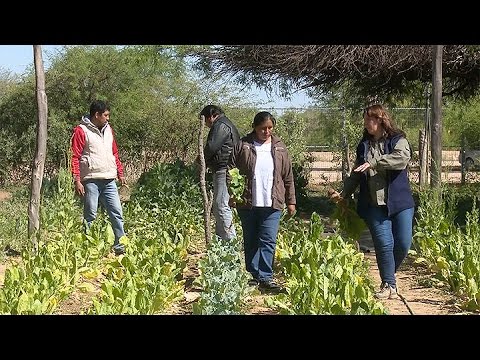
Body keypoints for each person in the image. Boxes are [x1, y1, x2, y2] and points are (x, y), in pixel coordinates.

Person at [329, 104, 415, 300]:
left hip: (400, 202)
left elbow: (401, 159)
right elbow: (357, 174)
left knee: (402, 243)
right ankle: (388, 284)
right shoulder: (363, 145)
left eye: (370, 119)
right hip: (373, 205)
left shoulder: (398, 140)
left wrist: (375, 163)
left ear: (381, 119)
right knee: (384, 244)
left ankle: (389, 274)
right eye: (365, 119)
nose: (367, 123)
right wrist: (344, 193)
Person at [230, 111, 296, 293]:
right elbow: (231, 170)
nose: (266, 131)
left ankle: (266, 277)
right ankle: (252, 275)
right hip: (247, 202)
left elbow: (288, 176)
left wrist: (291, 201)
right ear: (255, 127)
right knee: (251, 239)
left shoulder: (280, 148)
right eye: (262, 128)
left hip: (272, 202)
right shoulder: (243, 145)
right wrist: (232, 194)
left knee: (268, 240)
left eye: (269, 128)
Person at [71, 100, 127, 256]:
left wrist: (120, 173)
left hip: (109, 180)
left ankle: (120, 248)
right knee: (90, 215)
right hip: (91, 180)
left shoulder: (109, 130)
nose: (108, 118)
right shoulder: (81, 130)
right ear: (97, 115)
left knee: (116, 212)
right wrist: (77, 180)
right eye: (106, 115)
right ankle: (88, 249)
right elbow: (75, 156)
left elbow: (114, 153)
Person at [200, 104, 241, 241]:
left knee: (221, 205)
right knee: (219, 206)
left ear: (212, 116)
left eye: (205, 120)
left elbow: (211, 147)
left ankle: (230, 243)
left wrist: (200, 159)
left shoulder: (221, 125)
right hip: (225, 168)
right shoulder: (224, 123)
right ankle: (222, 242)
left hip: (224, 169)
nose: (205, 124)